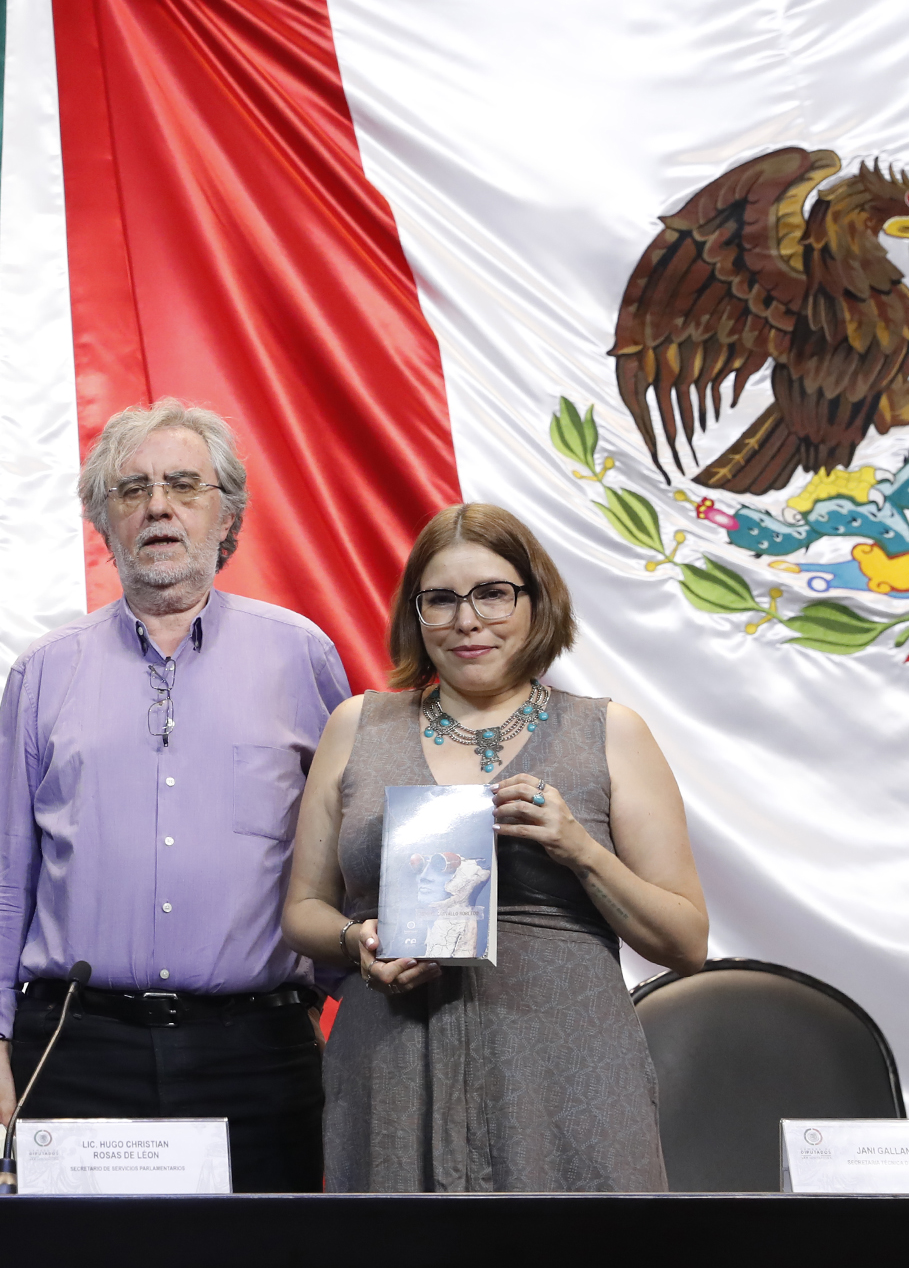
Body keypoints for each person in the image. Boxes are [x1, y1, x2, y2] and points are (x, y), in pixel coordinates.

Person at [0, 400, 348, 1194]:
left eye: (183, 485)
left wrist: (342, 1004)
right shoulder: (44, 671)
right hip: (75, 1046)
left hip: (259, 1049)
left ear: (227, 515)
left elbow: (347, 850)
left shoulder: (301, 656)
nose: (158, 506)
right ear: (103, 522)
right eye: (132, 490)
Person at [281, 501, 707, 1192]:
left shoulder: (610, 733)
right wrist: (358, 939)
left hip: (564, 1078)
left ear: (537, 602)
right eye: (441, 599)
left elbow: (686, 942)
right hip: (392, 1065)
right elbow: (303, 910)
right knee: (398, 1257)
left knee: (576, 1258)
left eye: (492, 593)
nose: (467, 620)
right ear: (416, 614)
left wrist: (581, 850)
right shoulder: (357, 726)